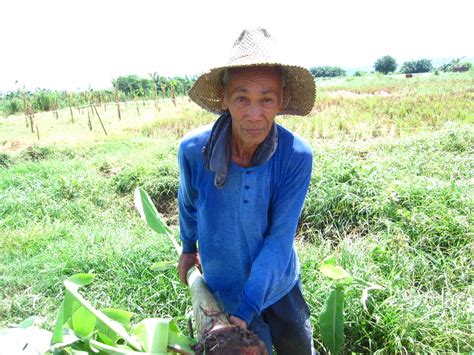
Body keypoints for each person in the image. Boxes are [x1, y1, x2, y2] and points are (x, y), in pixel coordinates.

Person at [177, 27, 316, 354]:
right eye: (242, 98)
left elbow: (280, 240)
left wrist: (247, 307)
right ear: (224, 100)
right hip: (224, 286)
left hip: (281, 284)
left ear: (280, 101)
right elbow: (188, 202)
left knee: (297, 343)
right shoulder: (193, 151)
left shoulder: (295, 156)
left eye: (266, 99)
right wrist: (187, 247)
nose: (254, 115)